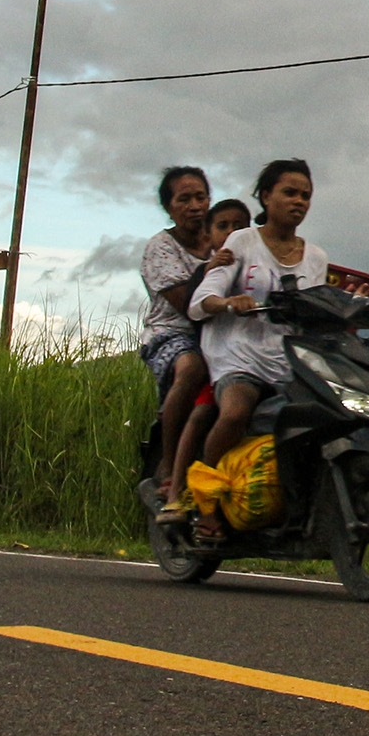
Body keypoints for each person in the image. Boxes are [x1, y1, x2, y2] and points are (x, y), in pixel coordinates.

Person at [186, 159, 337, 535]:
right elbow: (201, 299)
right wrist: (228, 303)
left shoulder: (315, 257)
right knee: (235, 413)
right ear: (266, 196)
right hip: (237, 350)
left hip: (287, 358)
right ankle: (205, 504)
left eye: (305, 195)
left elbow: (314, 312)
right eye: (289, 192)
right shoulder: (242, 241)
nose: (298, 201)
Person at [156, 198, 248, 525]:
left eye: (239, 226)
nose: (232, 233)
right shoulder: (207, 271)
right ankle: (177, 489)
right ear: (208, 237)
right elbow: (194, 305)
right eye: (223, 226)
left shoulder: (255, 268)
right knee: (203, 412)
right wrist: (210, 271)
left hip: (257, 360)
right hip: (219, 362)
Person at [137, 166, 211, 498]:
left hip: (223, 330)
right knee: (192, 367)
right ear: (169, 208)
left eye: (200, 197)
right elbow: (187, 304)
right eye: (184, 199)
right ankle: (169, 460)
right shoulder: (161, 247)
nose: (195, 205)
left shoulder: (224, 239)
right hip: (173, 333)